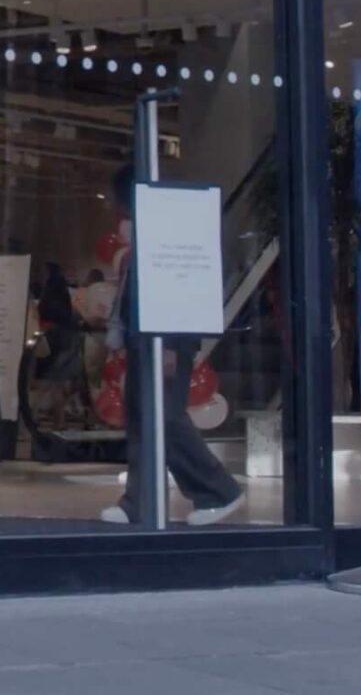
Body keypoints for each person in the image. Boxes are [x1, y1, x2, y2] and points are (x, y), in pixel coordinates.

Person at [99, 168, 245, 526]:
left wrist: (172, 343)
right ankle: (139, 500)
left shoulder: (167, 232)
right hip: (144, 337)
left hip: (164, 337)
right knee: (142, 418)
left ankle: (218, 490)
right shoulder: (143, 236)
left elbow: (178, 285)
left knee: (165, 417)